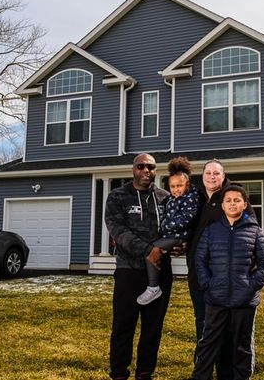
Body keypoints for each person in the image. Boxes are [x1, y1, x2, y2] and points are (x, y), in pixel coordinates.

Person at [189, 185, 264, 380]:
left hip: (244, 301)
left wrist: (250, 287)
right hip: (215, 298)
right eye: (228, 200)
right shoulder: (211, 230)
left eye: (237, 200)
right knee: (208, 344)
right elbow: (199, 260)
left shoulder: (254, 231)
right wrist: (208, 284)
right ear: (223, 205)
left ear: (244, 204)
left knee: (241, 346)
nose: (232, 203)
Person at [184, 159, 256, 380]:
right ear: (202, 175)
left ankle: (225, 373)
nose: (212, 177)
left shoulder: (232, 197)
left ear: (223, 176)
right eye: (208, 172)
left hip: (226, 281)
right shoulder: (195, 198)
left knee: (227, 333)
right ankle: (203, 372)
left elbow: (251, 233)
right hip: (199, 277)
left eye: (216, 173)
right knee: (203, 328)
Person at [104, 153, 170, 380]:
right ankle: (119, 373)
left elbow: (173, 231)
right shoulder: (117, 197)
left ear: (155, 171)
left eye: (150, 167)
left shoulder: (165, 198)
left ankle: (145, 373)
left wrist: (178, 246)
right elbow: (117, 231)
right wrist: (148, 250)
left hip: (161, 272)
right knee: (123, 326)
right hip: (128, 272)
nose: (146, 171)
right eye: (141, 166)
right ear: (133, 169)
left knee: (152, 328)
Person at [137, 156, 201, 305]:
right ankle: (152, 284)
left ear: (187, 184)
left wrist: (165, 226)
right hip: (170, 235)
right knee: (152, 253)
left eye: (179, 185)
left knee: (151, 252)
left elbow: (186, 219)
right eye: (172, 186)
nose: (176, 189)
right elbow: (163, 214)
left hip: (179, 236)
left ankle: (153, 287)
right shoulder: (170, 199)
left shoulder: (191, 198)